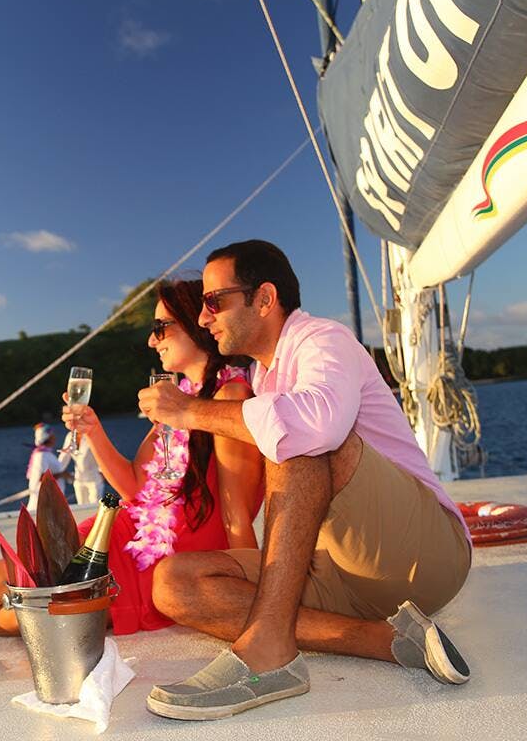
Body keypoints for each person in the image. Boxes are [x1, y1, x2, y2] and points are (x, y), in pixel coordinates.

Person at [0, 278, 265, 651]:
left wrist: (246, 593)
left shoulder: (228, 399)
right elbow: (135, 489)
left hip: (173, 561)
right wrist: (93, 431)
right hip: (130, 537)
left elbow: (236, 510)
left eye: (160, 327)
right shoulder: (176, 403)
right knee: (24, 572)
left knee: (33, 620)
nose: (152, 340)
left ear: (196, 325)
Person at [137, 240, 473, 721]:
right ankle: (385, 640)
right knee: (173, 584)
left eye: (214, 301)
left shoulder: (323, 339)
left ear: (265, 298)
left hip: (425, 554)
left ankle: (270, 652)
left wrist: (190, 411)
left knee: (300, 436)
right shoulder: (262, 375)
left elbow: (316, 427)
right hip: (346, 574)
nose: (205, 317)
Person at [25, 423, 70, 511]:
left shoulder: (46, 454)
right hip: (44, 501)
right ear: (47, 437)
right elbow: (42, 478)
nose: (55, 437)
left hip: (51, 500)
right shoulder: (41, 455)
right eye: (52, 435)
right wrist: (62, 475)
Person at [59, 429, 102, 504]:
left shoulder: (92, 434)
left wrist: (102, 474)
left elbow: (102, 455)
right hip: (78, 480)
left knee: (95, 508)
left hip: (94, 480)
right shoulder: (70, 436)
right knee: (82, 507)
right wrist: (54, 471)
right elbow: (64, 457)